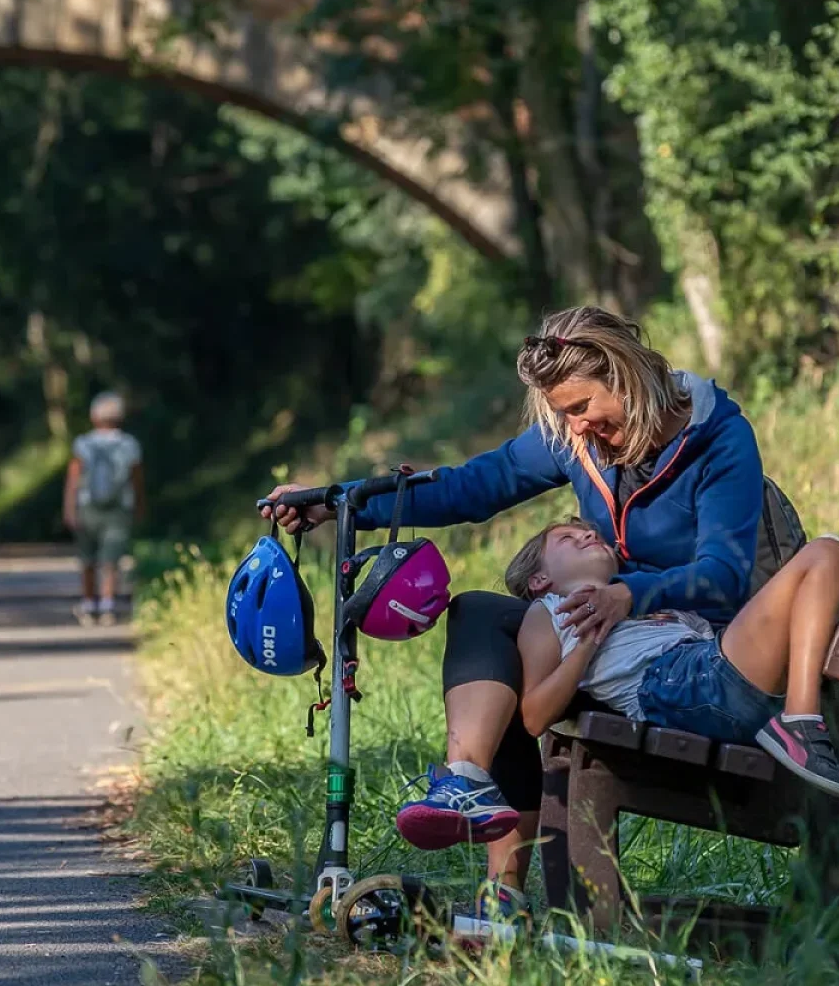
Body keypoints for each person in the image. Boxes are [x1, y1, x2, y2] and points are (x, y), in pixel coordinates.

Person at [264, 305, 767, 919]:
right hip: (599, 630)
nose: (576, 429)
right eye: (562, 416)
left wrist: (631, 594)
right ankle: (476, 810)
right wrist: (338, 501)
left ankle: (504, 877)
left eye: (582, 408)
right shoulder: (574, 440)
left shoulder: (718, 440)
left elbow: (724, 574)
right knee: (480, 613)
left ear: (627, 376)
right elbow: (474, 485)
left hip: (681, 648)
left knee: (511, 639)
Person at [510, 519, 839, 796]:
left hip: (711, 669)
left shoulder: (636, 600)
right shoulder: (549, 612)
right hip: (676, 681)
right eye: (567, 538)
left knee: (830, 549)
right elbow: (534, 717)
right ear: (540, 579)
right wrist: (586, 644)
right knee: (824, 553)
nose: (587, 533)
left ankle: (797, 718)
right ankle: (801, 721)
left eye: (588, 531)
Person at [64, 391, 145, 625]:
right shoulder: (129, 444)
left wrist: (69, 509)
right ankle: (108, 605)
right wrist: (140, 505)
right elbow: (136, 479)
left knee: (87, 558)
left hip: (87, 507)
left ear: (94, 417)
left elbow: (73, 478)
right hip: (119, 508)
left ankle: (89, 604)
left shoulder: (83, 444)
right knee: (111, 559)